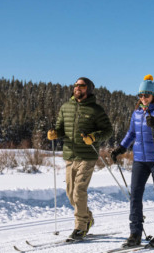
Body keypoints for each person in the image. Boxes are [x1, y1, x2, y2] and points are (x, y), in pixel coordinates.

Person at [111, 75, 154, 248]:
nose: (143, 98)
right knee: (135, 195)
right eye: (140, 95)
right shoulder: (137, 113)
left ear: (153, 95)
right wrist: (121, 148)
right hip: (139, 159)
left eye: (146, 95)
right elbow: (131, 134)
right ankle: (135, 232)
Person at [47, 77, 112, 240]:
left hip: (87, 156)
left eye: (81, 86)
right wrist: (55, 133)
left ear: (88, 89)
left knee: (79, 191)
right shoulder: (65, 107)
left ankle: (80, 227)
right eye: (76, 85)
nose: (77, 88)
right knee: (70, 193)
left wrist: (93, 137)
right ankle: (87, 218)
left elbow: (108, 131)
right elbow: (61, 128)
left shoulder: (96, 110)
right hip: (70, 155)